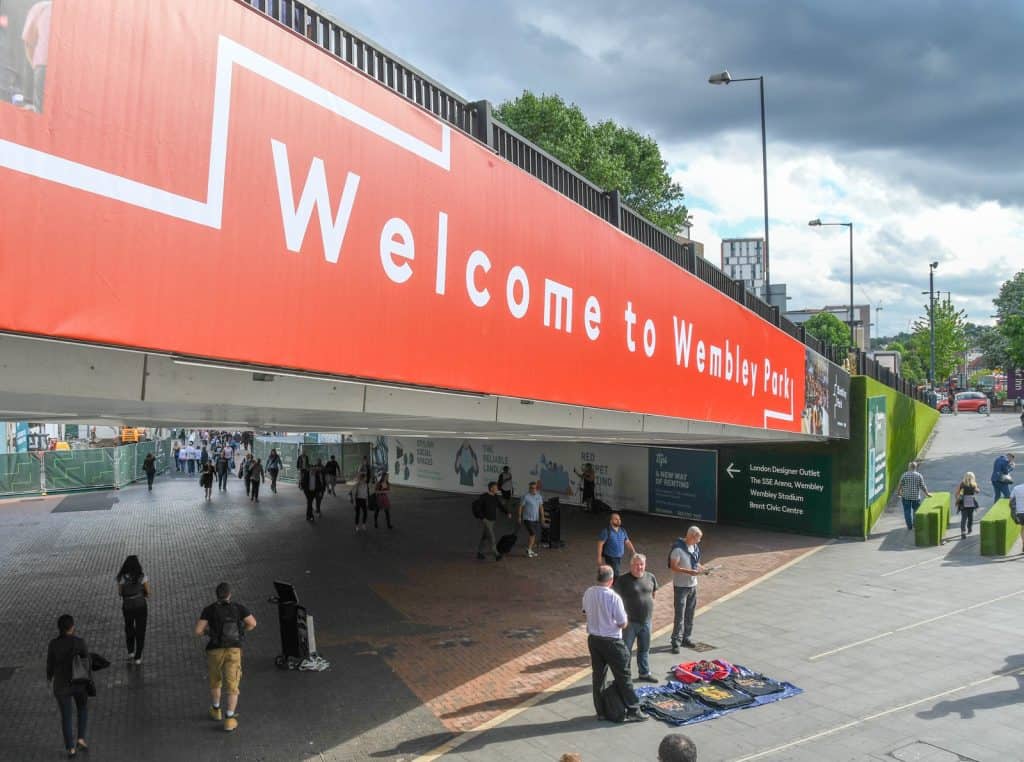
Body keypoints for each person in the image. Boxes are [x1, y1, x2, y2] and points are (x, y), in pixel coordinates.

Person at [581, 565, 646, 723]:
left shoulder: (588, 592)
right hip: (612, 641)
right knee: (624, 676)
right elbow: (623, 623)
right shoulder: (613, 597)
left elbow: (584, 611)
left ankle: (601, 711)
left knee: (598, 676)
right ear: (611, 580)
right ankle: (633, 710)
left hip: (594, 640)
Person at [194, 582, 256, 733]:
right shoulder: (239, 608)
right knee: (233, 685)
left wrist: (209, 633)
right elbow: (252, 623)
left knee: (216, 681)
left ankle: (216, 711)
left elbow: (198, 631)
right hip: (234, 650)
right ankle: (229, 719)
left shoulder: (209, 610)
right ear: (230, 594)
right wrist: (241, 633)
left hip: (215, 650)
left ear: (217, 595)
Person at [47, 614, 90, 757]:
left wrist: (49, 679)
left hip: (61, 685)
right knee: (82, 709)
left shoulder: (53, 644)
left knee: (66, 717)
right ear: (72, 627)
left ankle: (70, 748)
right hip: (78, 682)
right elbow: (86, 659)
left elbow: (50, 665)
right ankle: (81, 739)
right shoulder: (79, 642)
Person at [614, 553, 658, 683]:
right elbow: (615, 600)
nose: (639, 567)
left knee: (644, 649)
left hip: (646, 621)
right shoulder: (622, 580)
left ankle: (644, 673)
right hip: (629, 623)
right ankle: (624, 677)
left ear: (645, 564)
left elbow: (653, 593)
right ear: (631, 565)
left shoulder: (651, 577)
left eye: (641, 564)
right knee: (625, 651)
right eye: (636, 564)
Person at [669, 526, 706, 654]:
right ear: (691, 536)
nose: (699, 541)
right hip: (681, 586)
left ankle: (686, 638)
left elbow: (696, 562)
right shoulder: (677, 549)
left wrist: (703, 569)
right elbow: (673, 567)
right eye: (698, 538)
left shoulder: (695, 547)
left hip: (692, 585)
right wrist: (689, 571)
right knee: (679, 615)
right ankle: (675, 642)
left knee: (690, 613)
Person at [116, 555, 150, 664]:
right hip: (141, 606)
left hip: (128, 607)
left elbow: (120, 593)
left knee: (129, 627)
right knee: (141, 630)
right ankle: (138, 657)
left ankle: (130, 651)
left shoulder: (122, 577)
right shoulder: (142, 576)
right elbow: (148, 593)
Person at [22, 1, 51, 112]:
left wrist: (35, 66)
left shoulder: (41, 7)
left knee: (41, 112)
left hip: (43, 65)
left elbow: (28, 42)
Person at [476, 481, 510, 561]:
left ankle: (479, 553)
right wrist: (482, 518)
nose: (497, 489)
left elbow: (500, 506)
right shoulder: (484, 497)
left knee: (484, 537)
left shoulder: (495, 497)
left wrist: (507, 512)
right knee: (492, 537)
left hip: (492, 521)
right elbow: (477, 508)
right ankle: (496, 554)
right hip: (486, 520)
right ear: (491, 488)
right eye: (496, 488)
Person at [596, 512, 636, 577]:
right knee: (616, 574)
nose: (618, 521)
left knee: (614, 572)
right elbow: (600, 545)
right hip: (610, 556)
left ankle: (611, 583)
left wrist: (633, 551)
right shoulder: (606, 531)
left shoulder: (622, 530)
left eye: (619, 519)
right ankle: (615, 585)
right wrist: (599, 558)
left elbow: (627, 542)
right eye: (616, 519)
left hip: (619, 556)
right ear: (611, 521)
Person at [897, 461, 931, 530]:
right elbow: (922, 486)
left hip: (906, 496)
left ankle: (909, 526)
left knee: (907, 511)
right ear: (915, 467)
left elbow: (900, 485)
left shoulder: (904, 475)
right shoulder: (919, 475)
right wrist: (927, 493)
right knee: (916, 511)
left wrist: (899, 493)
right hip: (916, 497)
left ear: (909, 467)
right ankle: (916, 524)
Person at [518, 481, 546, 557]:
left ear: (537, 488)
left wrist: (542, 517)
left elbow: (541, 507)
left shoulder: (539, 496)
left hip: (536, 519)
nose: (533, 489)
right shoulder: (525, 496)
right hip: (527, 519)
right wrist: (519, 517)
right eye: (531, 488)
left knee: (533, 535)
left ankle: (530, 550)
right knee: (532, 534)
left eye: (534, 488)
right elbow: (521, 507)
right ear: (529, 488)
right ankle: (529, 549)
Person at [954, 471, 983, 539]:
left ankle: (963, 532)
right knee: (970, 517)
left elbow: (957, 493)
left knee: (963, 518)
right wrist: (976, 488)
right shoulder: (974, 484)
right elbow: (978, 491)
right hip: (971, 502)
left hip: (963, 502)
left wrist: (958, 499)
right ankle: (969, 528)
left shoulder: (962, 484)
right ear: (973, 477)